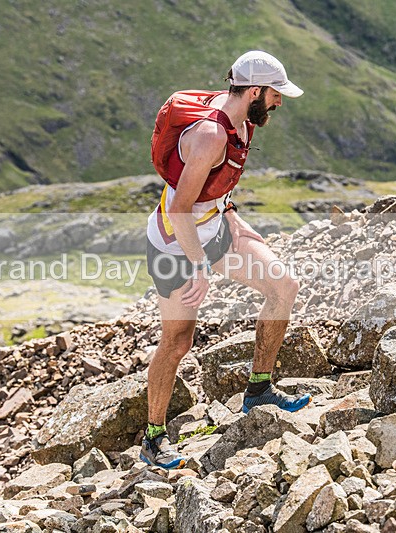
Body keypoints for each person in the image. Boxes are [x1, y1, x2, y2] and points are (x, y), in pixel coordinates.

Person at [140, 51, 309, 469]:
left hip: (216, 228)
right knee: (178, 342)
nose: (279, 102)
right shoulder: (210, 135)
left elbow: (215, 187)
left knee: (283, 286)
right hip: (175, 246)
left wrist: (232, 217)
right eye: (274, 94)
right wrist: (200, 265)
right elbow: (180, 209)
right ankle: (153, 437)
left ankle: (258, 390)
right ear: (254, 91)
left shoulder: (243, 120)